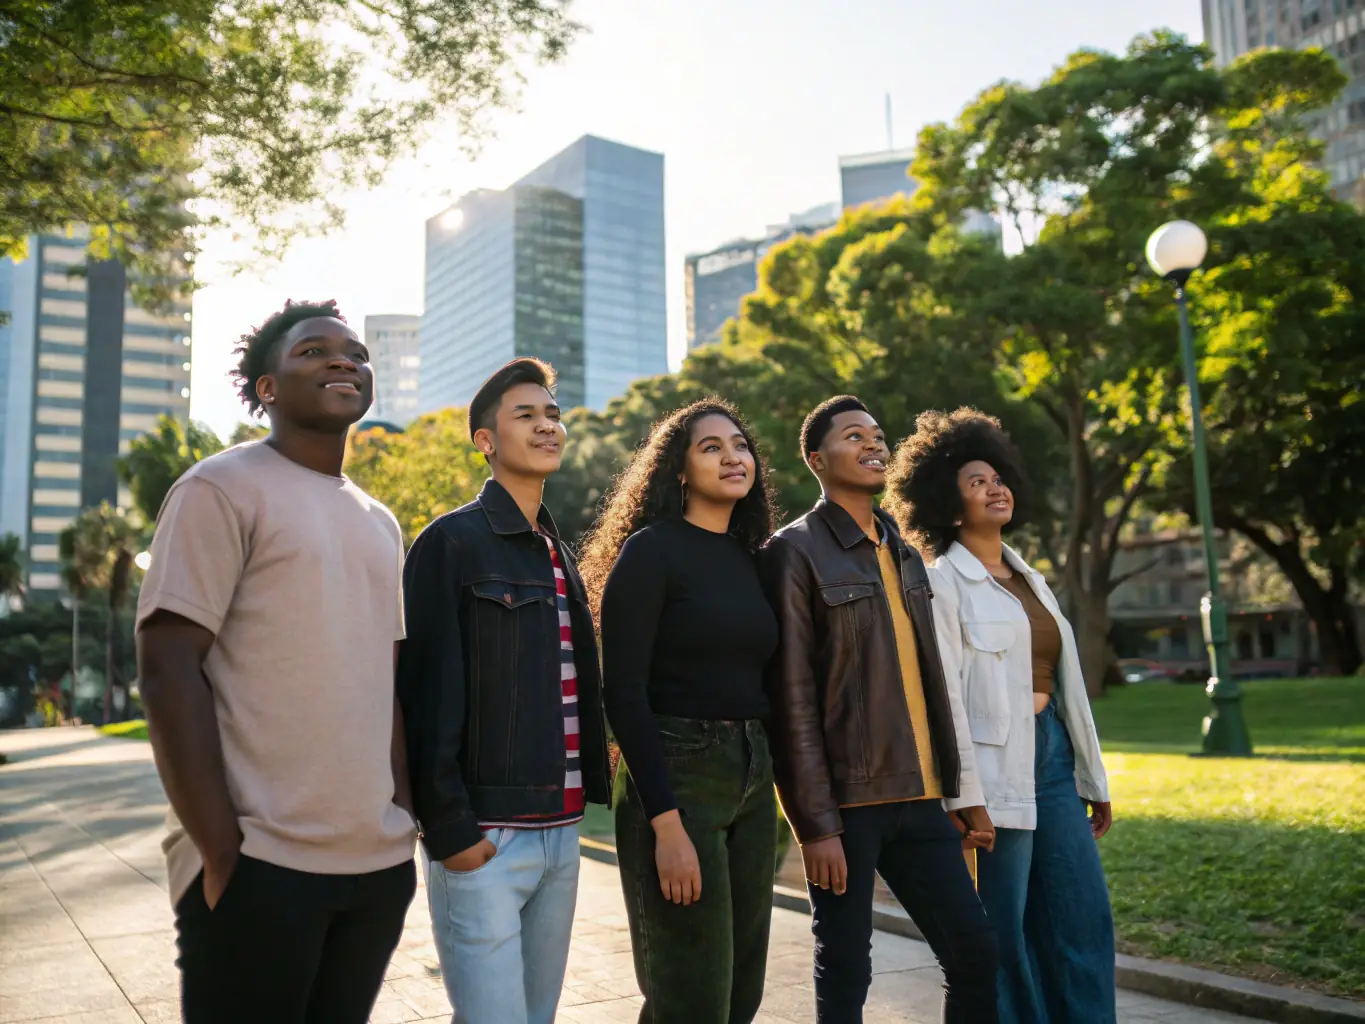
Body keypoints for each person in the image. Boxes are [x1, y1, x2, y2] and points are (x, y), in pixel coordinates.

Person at [135, 300, 418, 1024]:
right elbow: (168, 667)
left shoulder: (381, 521)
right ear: (267, 388)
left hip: (376, 868)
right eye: (313, 351)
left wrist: (402, 817)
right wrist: (221, 849)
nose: (343, 360)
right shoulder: (219, 487)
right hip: (260, 864)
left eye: (356, 353)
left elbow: (384, 681)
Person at [758, 395, 998, 1024]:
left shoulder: (904, 551)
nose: (873, 444)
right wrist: (815, 825)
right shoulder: (793, 551)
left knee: (975, 953)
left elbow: (933, 679)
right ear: (816, 459)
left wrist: (958, 791)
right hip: (848, 805)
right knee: (846, 966)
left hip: (922, 797)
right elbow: (791, 698)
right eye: (853, 436)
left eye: (878, 435)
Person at [397, 358, 611, 1024]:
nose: (547, 425)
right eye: (526, 415)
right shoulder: (450, 542)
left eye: (553, 414)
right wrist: (450, 830)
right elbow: (421, 695)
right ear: (485, 440)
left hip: (562, 833)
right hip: (485, 834)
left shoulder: (558, 553)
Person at [884, 407, 1115, 1024]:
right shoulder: (940, 584)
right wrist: (964, 796)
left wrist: (1093, 780)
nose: (995, 488)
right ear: (949, 503)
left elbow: (1068, 689)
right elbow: (944, 697)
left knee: (1081, 918)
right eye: (976, 481)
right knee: (1003, 933)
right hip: (991, 773)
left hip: (1053, 760)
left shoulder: (1031, 578)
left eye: (998, 477)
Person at [579, 399, 780, 1024]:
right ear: (679, 470)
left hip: (754, 778)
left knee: (741, 994)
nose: (732, 457)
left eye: (740, 445)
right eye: (710, 447)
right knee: (691, 996)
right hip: (677, 778)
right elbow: (623, 693)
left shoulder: (754, 558)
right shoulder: (651, 552)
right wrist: (666, 827)